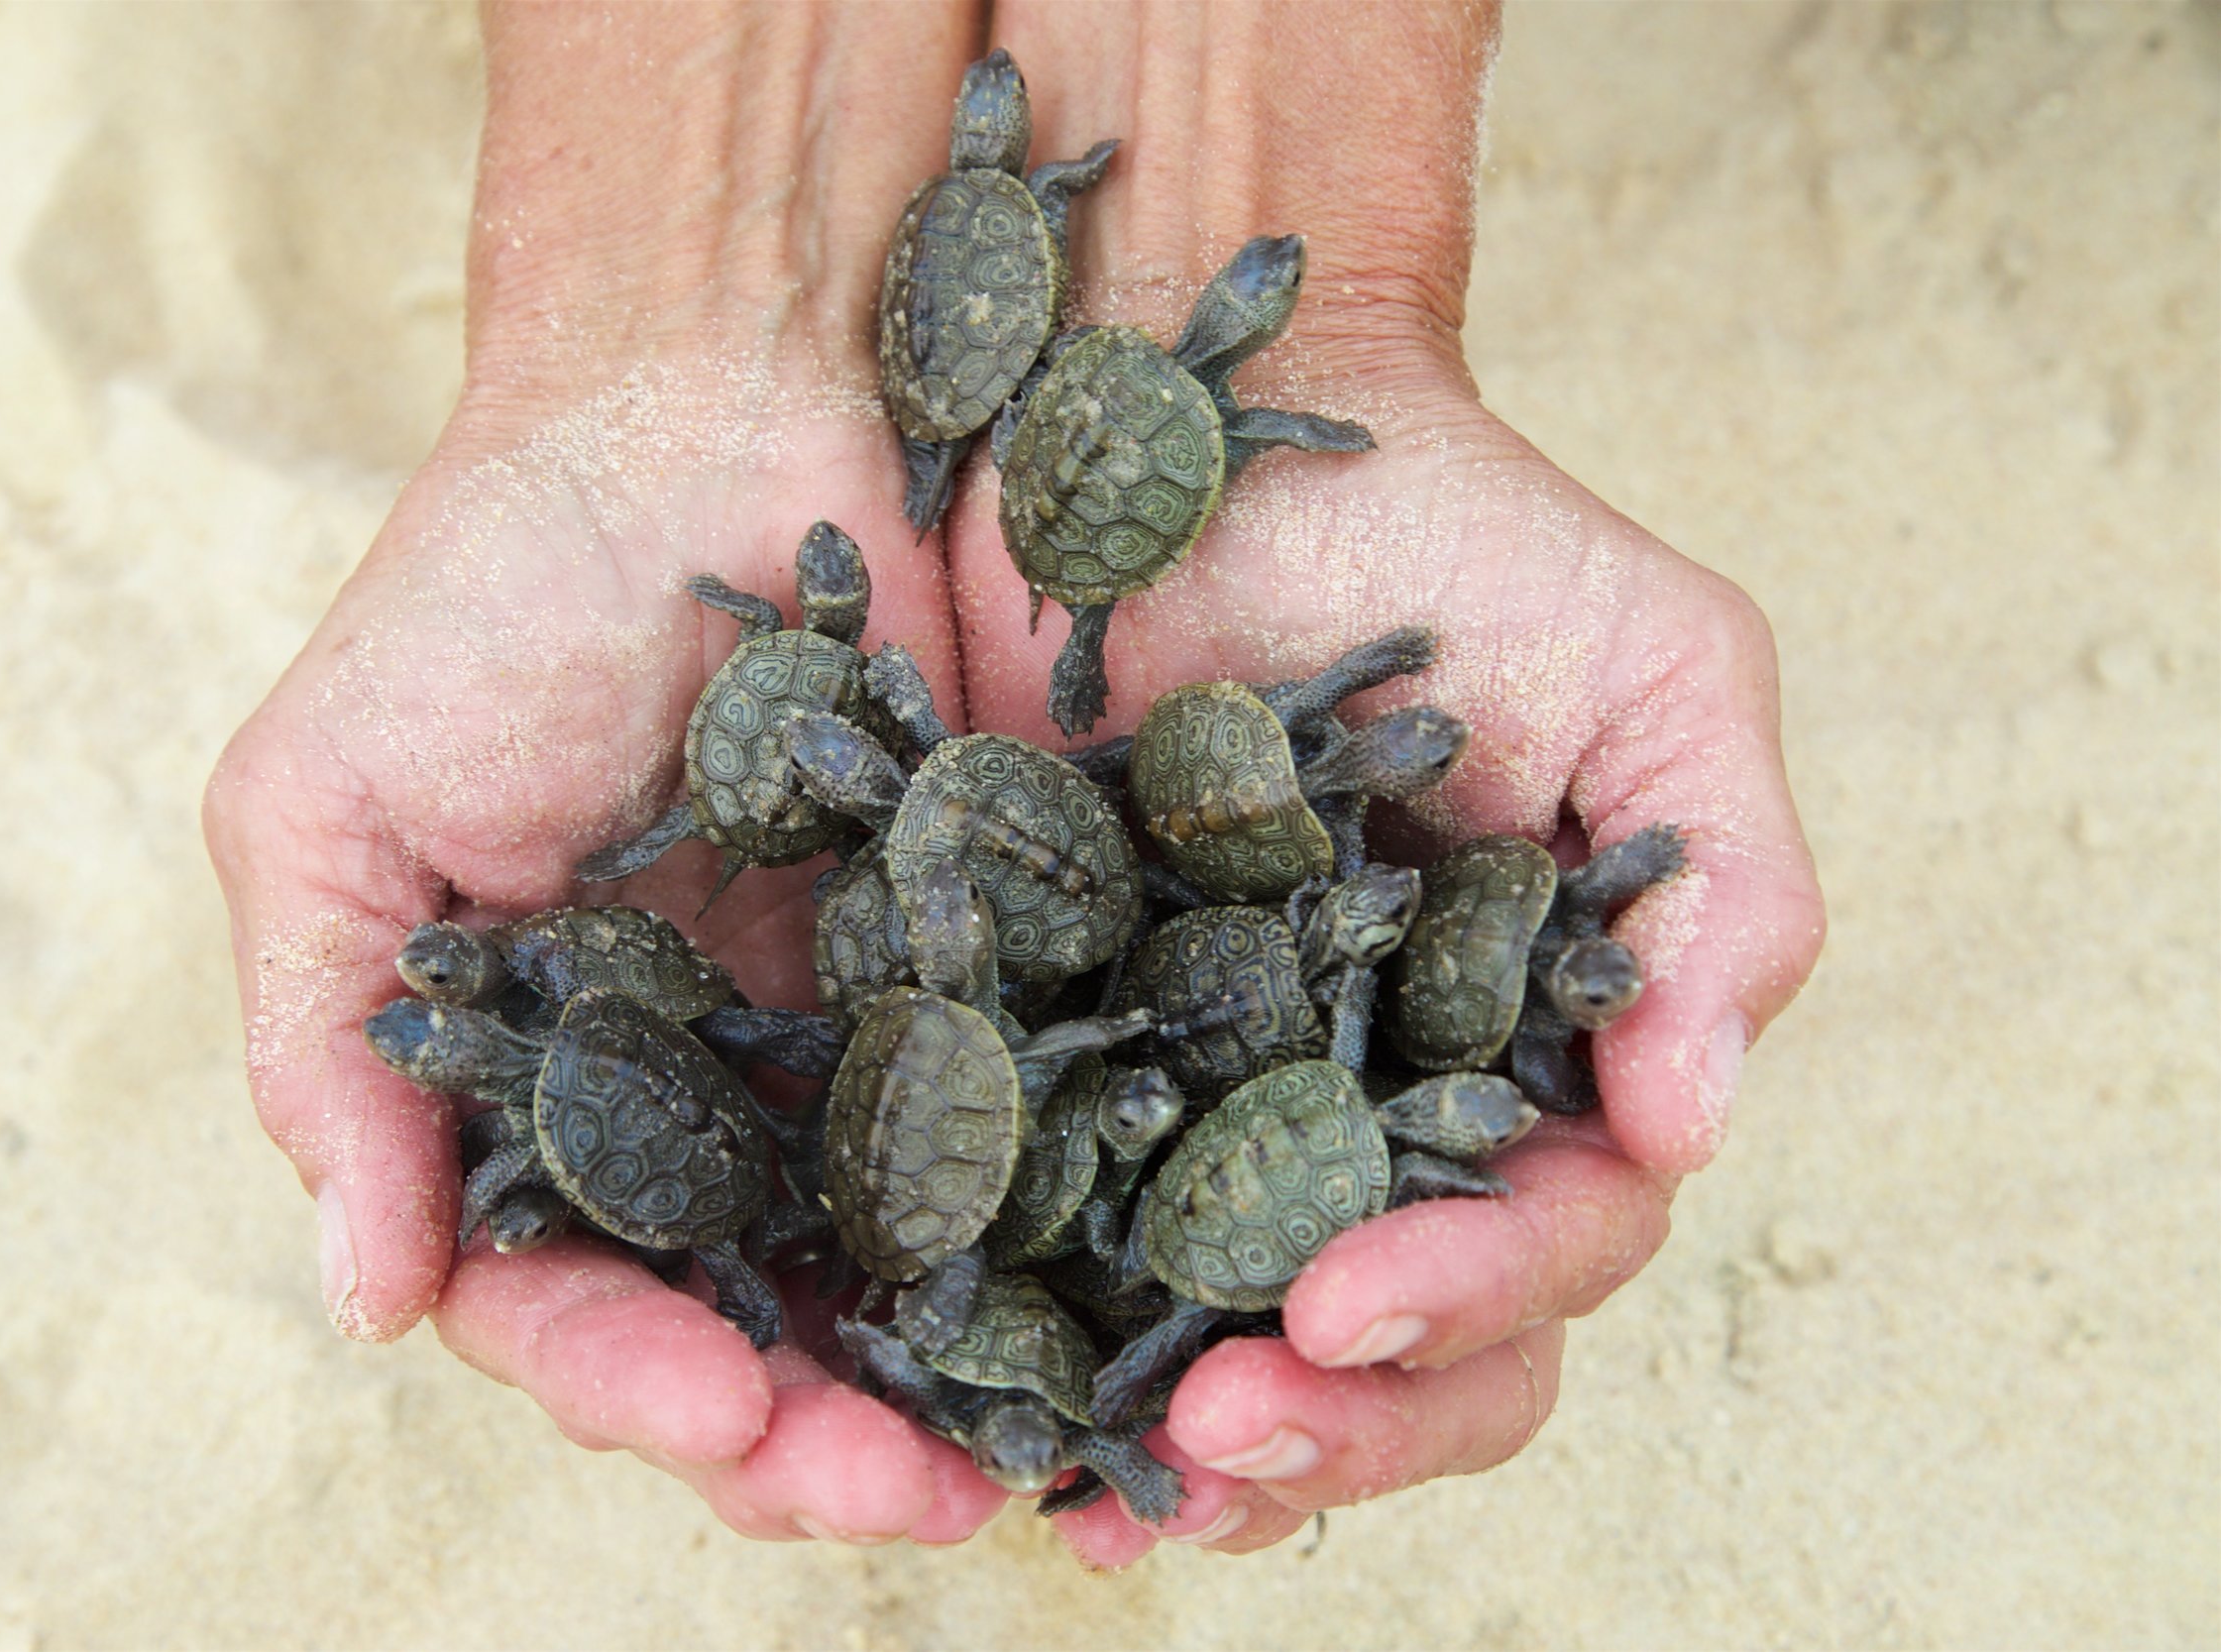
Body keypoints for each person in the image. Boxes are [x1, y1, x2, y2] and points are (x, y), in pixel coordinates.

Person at [203, 2, 1824, 1565]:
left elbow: (1060, 981)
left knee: (1093, 1052)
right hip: (1030, 942)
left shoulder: (986, 884)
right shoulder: (924, 892)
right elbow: (951, 993)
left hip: (1121, 928)